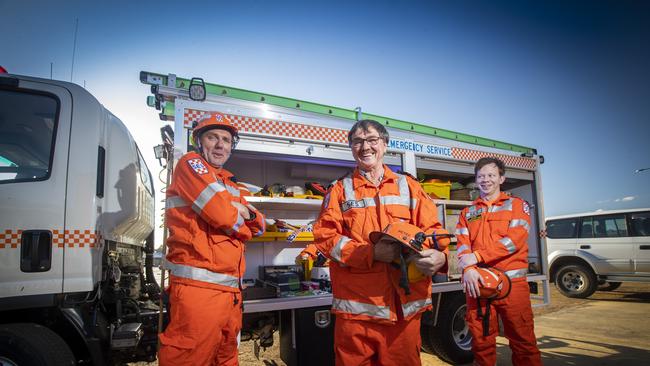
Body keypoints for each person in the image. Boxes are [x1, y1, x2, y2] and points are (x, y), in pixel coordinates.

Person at [313, 119, 447, 366]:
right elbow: (325, 238)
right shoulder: (339, 191)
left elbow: (434, 232)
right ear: (351, 148)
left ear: (385, 145)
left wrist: (441, 257)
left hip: (403, 312)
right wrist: (371, 253)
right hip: (357, 316)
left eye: (372, 140)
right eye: (358, 141)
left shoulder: (410, 187)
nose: (365, 147)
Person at [158, 113, 266, 366]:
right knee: (190, 359)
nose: (220, 145)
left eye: (226, 140)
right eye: (213, 137)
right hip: (200, 292)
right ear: (199, 141)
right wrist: (236, 216)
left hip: (229, 293)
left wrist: (243, 212)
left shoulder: (228, 181)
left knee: (226, 357)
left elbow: (259, 225)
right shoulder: (191, 164)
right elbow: (223, 216)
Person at [455, 157, 542, 366]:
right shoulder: (468, 212)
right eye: (481, 176)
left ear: (501, 178)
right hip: (478, 285)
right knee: (481, 342)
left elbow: (514, 241)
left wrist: (476, 257)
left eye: (491, 175)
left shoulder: (517, 206)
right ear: (476, 180)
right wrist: (467, 268)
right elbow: (462, 243)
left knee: (523, 342)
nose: (486, 180)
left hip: (512, 287)